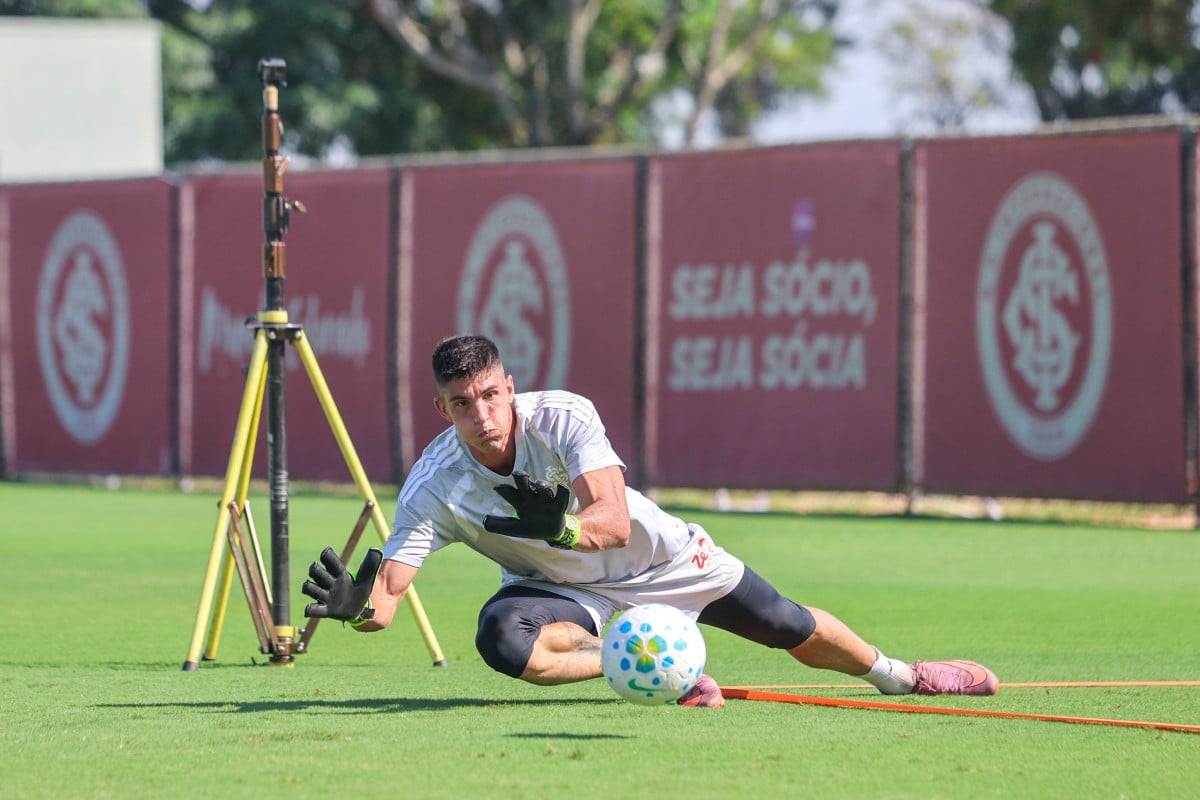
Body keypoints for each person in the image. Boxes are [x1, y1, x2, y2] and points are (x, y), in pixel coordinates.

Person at [302, 334, 998, 707]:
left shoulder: (562, 417)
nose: (481, 416)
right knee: (502, 640)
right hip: (563, 591)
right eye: (461, 404)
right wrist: (356, 609)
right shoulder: (434, 485)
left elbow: (608, 520)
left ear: (510, 387)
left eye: (489, 395)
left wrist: (561, 529)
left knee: (786, 623)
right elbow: (386, 603)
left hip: (659, 559)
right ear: (442, 409)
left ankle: (902, 676)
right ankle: (672, 671)